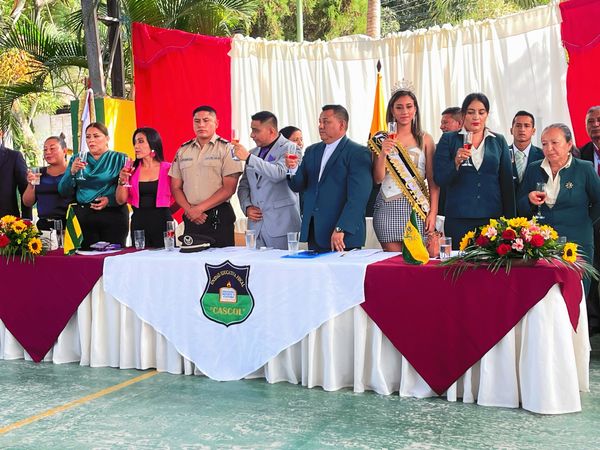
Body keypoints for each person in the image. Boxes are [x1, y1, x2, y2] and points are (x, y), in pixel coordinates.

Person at [518, 123, 600, 294]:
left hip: (578, 242)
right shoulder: (534, 168)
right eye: (544, 143)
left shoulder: (584, 168)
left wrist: (584, 221)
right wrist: (529, 199)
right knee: (546, 297)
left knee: (577, 295)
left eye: (554, 143)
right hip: (542, 245)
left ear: (569, 144)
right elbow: (520, 205)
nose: (549, 148)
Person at [286, 104, 372, 252]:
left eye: (326, 122)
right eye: (320, 122)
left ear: (342, 124)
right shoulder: (312, 151)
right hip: (315, 233)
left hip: (343, 237)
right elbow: (298, 186)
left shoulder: (357, 152)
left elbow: (358, 197)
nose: (321, 126)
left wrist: (341, 228)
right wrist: (292, 168)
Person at [434, 93, 515, 247]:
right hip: (458, 218)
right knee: (459, 261)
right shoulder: (449, 139)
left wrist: (510, 221)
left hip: (492, 219)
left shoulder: (498, 141)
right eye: (471, 112)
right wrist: (455, 163)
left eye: (481, 112)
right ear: (463, 115)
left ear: (487, 114)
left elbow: (507, 185)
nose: (476, 117)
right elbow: (440, 179)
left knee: (490, 262)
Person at [371, 87, 439, 251]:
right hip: (387, 207)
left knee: (421, 260)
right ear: (392, 110)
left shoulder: (425, 139)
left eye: (409, 106)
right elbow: (378, 179)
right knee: (394, 263)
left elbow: (433, 181)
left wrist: (433, 213)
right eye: (399, 107)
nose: (405, 112)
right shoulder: (381, 139)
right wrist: (383, 154)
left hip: (418, 208)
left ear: (415, 109)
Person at [169, 106, 243, 247]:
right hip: (191, 216)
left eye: (206, 120)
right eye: (197, 121)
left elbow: (229, 189)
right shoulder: (183, 150)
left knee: (220, 260)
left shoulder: (227, 149)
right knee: (192, 258)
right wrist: (190, 210)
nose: (201, 125)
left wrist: (199, 209)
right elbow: (175, 187)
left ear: (216, 123)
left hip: (218, 215)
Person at [235, 111, 301, 249]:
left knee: (282, 263)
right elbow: (243, 186)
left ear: (271, 130)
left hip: (282, 225)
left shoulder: (291, 148)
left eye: (256, 130)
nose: (252, 135)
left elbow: (279, 173)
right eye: (251, 130)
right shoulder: (253, 152)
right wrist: (247, 206)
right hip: (256, 227)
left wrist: (249, 158)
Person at [58, 122, 129, 249]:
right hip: (84, 216)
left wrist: (110, 200)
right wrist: (71, 172)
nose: (91, 140)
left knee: (113, 256)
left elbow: (129, 190)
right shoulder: (77, 159)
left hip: (113, 214)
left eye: (96, 136)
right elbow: (63, 191)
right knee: (86, 258)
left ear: (107, 138)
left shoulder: (120, 158)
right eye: (88, 137)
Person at [116, 128, 174, 248]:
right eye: (135, 142)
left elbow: (180, 195)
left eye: (141, 141)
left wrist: (168, 212)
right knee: (139, 256)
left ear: (153, 143)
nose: (136, 146)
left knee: (167, 255)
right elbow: (121, 200)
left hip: (164, 222)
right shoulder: (131, 169)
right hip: (139, 223)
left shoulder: (168, 169)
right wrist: (122, 179)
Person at [577, 106, 600, 335]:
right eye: (590, 122)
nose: (595, 125)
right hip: (592, 222)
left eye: (599, 120)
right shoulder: (580, 154)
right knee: (591, 270)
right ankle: (592, 320)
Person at [22, 136, 73, 230]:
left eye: (52, 148)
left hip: (70, 226)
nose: (48, 152)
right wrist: (31, 185)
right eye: (45, 150)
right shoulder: (38, 173)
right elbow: (27, 203)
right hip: (44, 225)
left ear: (64, 151)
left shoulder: (73, 172)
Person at [0, 129, 31, 219]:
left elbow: (25, 189)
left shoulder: (14, 156)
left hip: (7, 221)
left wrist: (26, 220)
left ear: (1, 133)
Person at [509, 110, 543, 188]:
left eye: (527, 126)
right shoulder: (501, 154)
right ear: (511, 130)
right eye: (518, 125)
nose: (522, 129)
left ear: (533, 131)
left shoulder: (543, 156)